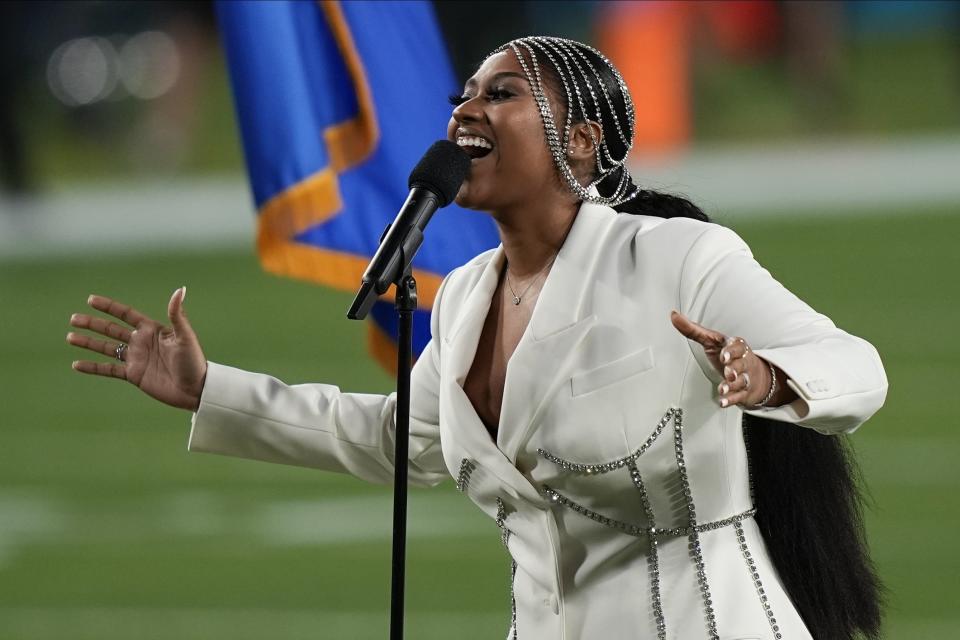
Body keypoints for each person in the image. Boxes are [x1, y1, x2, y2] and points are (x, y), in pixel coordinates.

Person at [67, 37, 887, 640]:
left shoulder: (673, 257)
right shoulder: (461, 297)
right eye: (465, 94)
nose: (465, 110)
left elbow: (857, 367)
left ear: (580, 142)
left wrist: (768, 379)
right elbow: (399, 439)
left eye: (502, 94)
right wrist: (211, 390)